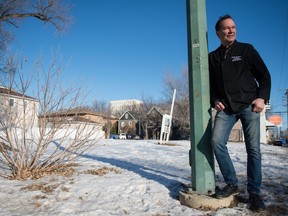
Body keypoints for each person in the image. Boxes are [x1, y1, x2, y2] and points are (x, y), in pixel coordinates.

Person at [209, 14, 271, 212]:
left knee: (253, 149)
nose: (231, 30)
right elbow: (210, 85)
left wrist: (262, 98)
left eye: (233, 27)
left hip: (249, 105)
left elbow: (264, 75)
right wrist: (214, 100)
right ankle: (232, 184)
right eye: (226, 28)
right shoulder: (213, 57)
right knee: (216, 141)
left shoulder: (246, 49)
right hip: (226, 108)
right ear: (218, 32)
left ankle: (254, 193)